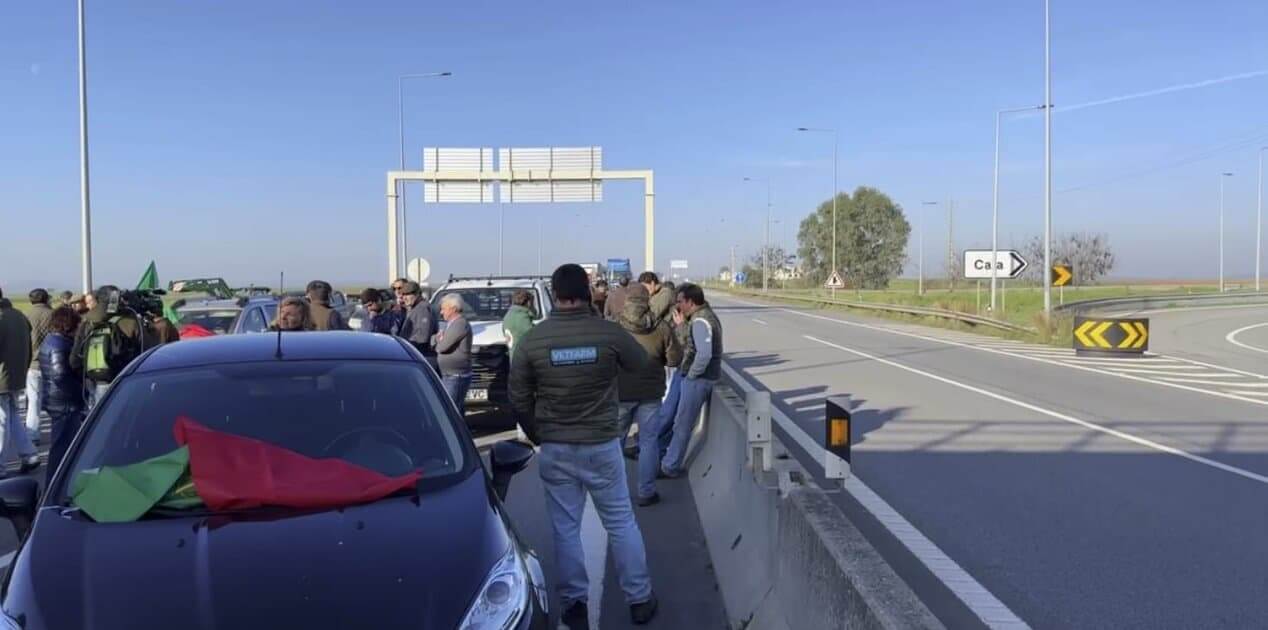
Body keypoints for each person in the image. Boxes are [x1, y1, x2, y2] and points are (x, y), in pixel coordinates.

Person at [510, 264, 658, 627]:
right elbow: (640, 362)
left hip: (556, 446)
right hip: (602, 444)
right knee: (621, 522)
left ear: (555, 293)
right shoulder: (608, 333)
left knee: (565, 528)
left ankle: (574, 603)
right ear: (588, 291)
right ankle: (639, 599)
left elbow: (518, 395)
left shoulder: (534, 339)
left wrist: (536, 433)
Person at [616, 284, 682, 507]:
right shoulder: (661, 327)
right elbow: (674, 359)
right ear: (647, 301)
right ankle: (646, 491)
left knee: (616, 444)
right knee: (649, 442)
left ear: (627, 300)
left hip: (620, 393)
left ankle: (615, 495)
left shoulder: (616, 327)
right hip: (651, 393)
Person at [660, 283, 723, 478]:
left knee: (682, 425)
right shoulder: (702, 317)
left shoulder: (700, 322)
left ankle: (670, 466)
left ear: (690, 301)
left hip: (699, 380)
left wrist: (692, 374)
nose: (678, 306)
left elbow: (703, 355)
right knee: (681, 423)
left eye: (680, 301)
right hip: (700, 378)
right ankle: (668, 461)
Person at [70, 285, 145, 408]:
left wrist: (89, 375)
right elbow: (144, 352)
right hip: (127, 379)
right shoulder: (131, 320)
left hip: (97, 381)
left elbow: (74, 359)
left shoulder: (87, 321)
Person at [39, 306, 85, 486]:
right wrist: (80, 393)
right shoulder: (59, 345)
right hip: (64, 403)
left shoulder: (53, 341)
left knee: (61, 447)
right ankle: (54, 487)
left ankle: (55, 485)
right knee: (61, 449)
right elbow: (60, 375)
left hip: (57, 400)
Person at [0, 289, 40, 477]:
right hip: (16, 375)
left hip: (2, 376)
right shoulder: (19, 316)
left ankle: (0, 465)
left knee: (1, 420)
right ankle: (29, 455)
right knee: (14, 416)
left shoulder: (1, 318)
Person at [433, 294, 473, 415]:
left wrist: (438, 340)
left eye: (444, 308)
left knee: (450, 411)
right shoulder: (450, 324)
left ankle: (456, 433)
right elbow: (435, 339)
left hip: (456, 376)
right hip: (449, 375)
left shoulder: (460, 324)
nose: (441, 312)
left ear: (453, 308)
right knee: (454, 410)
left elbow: (442, 347)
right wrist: (438, 339)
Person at [23, 289, 54, 445]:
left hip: (32, 364)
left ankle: (33, 434)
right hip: (51, 362)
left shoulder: (26, 316)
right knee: (55, 399)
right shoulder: (52, 315)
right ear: (46, 298)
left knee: (33, 400)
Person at [397, 281, 439, 372]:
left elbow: (422, 337)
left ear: (417, 294)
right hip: (418, 356)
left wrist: (405, 345)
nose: (404, 297)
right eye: (403, 295)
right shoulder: (414, 308)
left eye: (408, 294)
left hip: (423, 356)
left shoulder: (423, 308)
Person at [502, 289, 536, 356]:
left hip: (514, 357)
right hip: (523, 359)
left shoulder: (508, 316)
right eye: (533, 303)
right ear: (528, 302)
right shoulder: (522, 318)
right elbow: (533, 338)